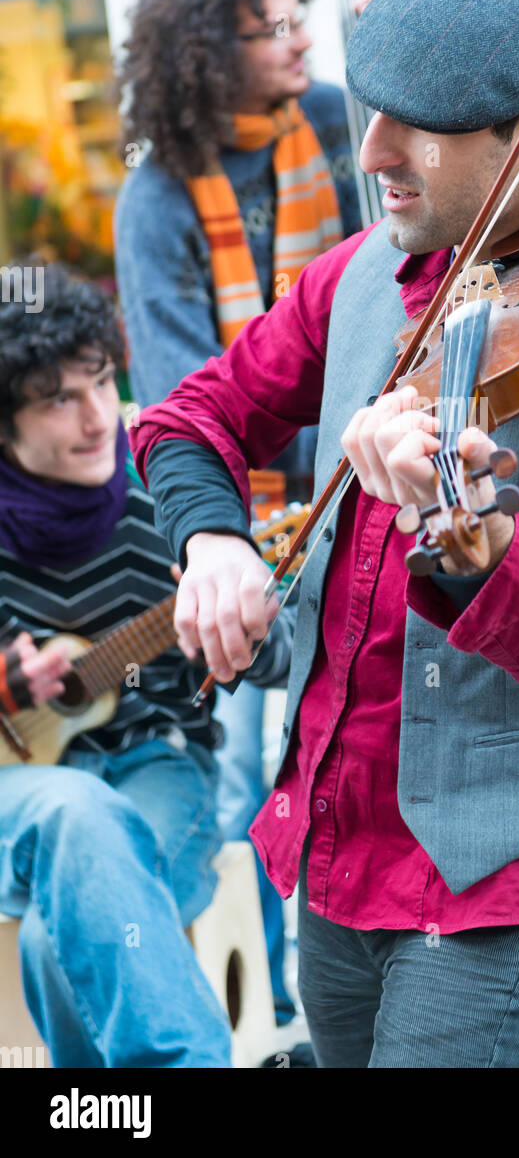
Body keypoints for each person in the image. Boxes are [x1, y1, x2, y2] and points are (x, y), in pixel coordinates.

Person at [129, 0, 519, 1069]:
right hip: (334, 831)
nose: (372, 151)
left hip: (507, 860)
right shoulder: (362, 273)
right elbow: (189, 417)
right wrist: (209, 540)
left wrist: (466, 533)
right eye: (374, 109)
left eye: (423, 125)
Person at [113, 0, 361, 1024]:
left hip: (364, 483)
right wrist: (224, 537)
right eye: (275, 25)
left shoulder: (349, 123)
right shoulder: (158, 194)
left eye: (300, 13)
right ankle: (268, 1010)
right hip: (238, 519)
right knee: (241, 775)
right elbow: (178, 388)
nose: (303, 35)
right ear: (213, 51)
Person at [0, 264, 292, 1067]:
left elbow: (288, 659)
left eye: (101, 382)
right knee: (68, 808)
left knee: (57, 943)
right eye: (58, 398)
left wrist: (237, 627)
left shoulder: (169, 498)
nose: (99, 418)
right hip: (20, 783)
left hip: (157, 764)